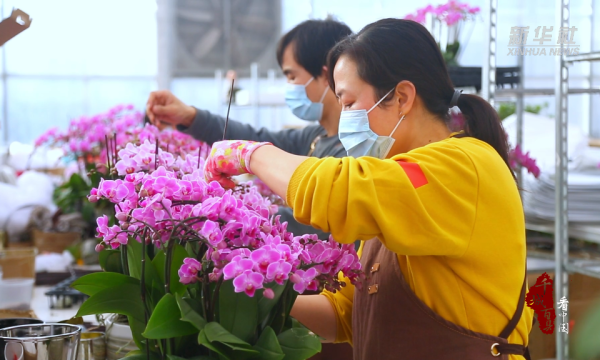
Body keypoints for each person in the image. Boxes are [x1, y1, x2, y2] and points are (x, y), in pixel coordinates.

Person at [203, 18, 534, 360]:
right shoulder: (394, 183)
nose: (344, 118)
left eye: (348, 103)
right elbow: (346, 312)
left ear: (402, 98)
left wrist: (251, 153)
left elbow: (337, 191)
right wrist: (242, 303)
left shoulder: (462, 165)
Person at [145, 19, 352, 239]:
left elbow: (309, 222)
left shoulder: (352, 151)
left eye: (292, 76)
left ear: (327, 76)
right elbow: (255, 140)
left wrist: (225, 212)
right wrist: (190, 116)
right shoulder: (316, 137)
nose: (288, 87)